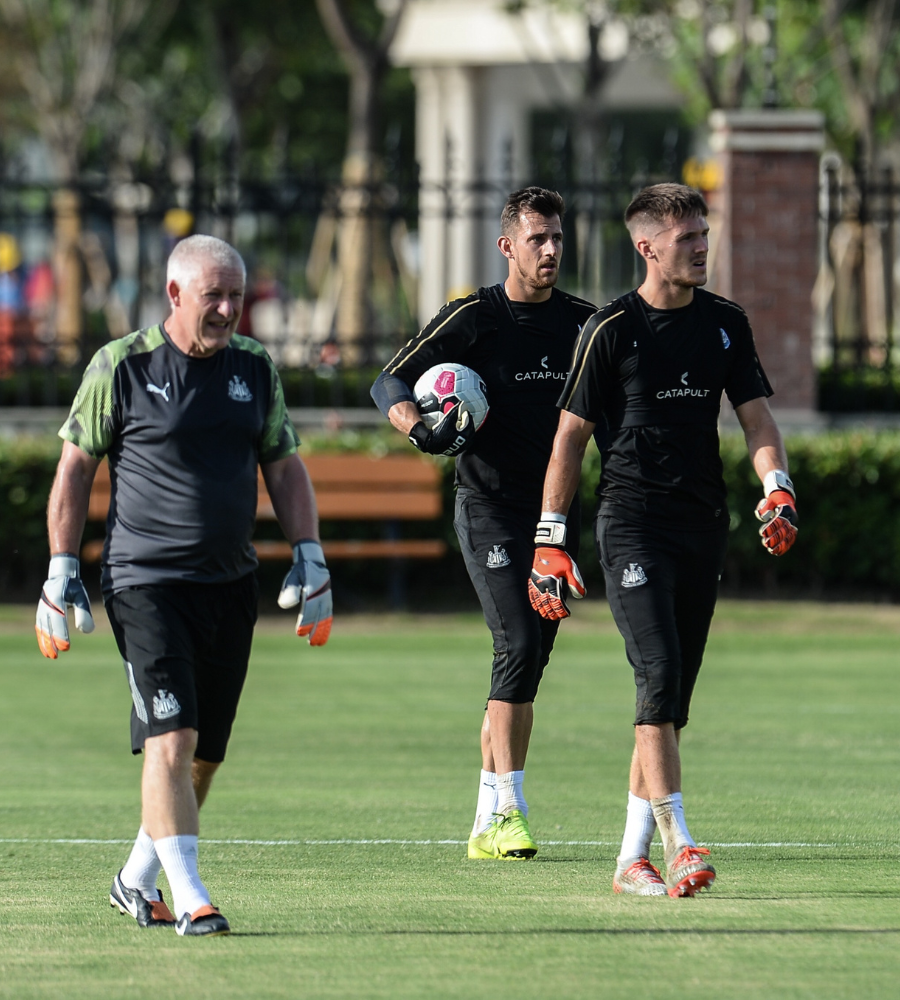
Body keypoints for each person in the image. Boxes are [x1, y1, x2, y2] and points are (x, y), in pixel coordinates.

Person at [35, 234, 333, 936]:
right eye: (214, 296)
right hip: (145, 584)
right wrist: (60, 568)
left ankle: (134, 878)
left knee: (202, 756)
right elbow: (74, 468)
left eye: (237, 295)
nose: (230, 308)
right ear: (174, 295)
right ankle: (191, 895)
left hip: (230, 586)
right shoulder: (121, 365)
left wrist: (310, 555)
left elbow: (284, 466)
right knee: (170, 738)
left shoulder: (254, 367)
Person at [529, 183, 797, 897]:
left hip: (700, 528)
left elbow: (757, 421)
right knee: (656, 673)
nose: (703, 247)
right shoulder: (609, 329)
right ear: (647, 246)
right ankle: (680, 839)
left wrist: (778, 488)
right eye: (688, 238)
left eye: (705, 234)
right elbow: (568, 442)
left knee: (669, 698)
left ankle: (629, 860)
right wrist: (550, 541)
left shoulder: (725, 324)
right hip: (631, 526)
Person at [371, 187, 596, 860]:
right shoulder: (473, 317)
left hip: (553, 521)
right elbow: (389, 383)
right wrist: (422, 430)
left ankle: (484, 819)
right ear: (508, 246)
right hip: (490, 511)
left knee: (524, 666)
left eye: (557, 237)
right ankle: (508, 813)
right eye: (538, 239)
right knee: (518, 646)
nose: (551, 249)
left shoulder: (586, 324)